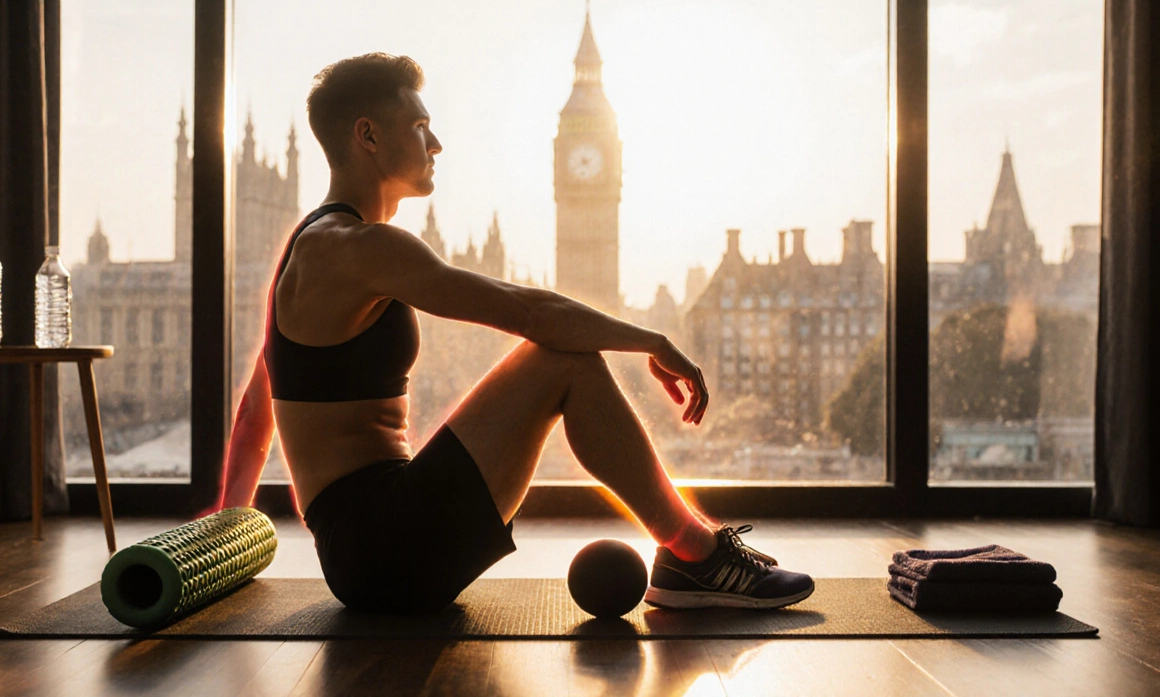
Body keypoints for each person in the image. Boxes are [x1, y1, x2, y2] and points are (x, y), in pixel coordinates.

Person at [217, 52, 814, 613]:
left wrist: (223, 543)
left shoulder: (308, 250)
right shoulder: (361, 247)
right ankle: (697, 556)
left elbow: (251, 420)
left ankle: (690, 555)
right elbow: (529, 311)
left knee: (558, 356)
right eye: (421, 125)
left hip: (361, 556)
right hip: (388, 549)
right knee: (562, 360)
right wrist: (651, 340)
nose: (437, 143)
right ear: (368, 136)